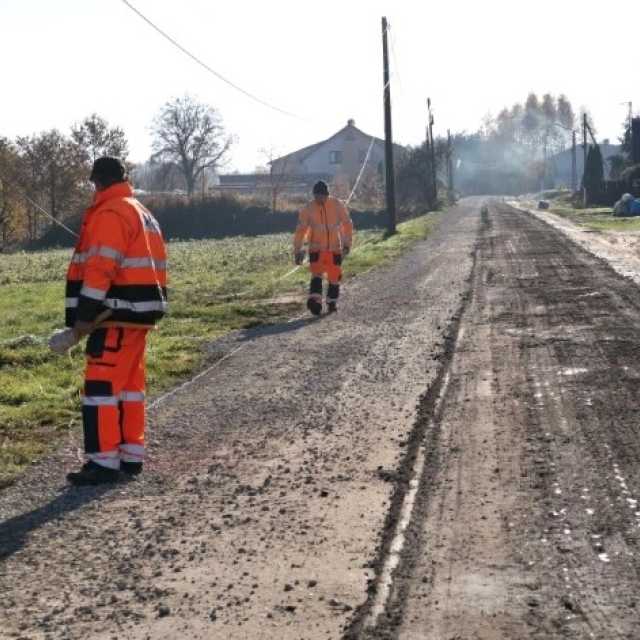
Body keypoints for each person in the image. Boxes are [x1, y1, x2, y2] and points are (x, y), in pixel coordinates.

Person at [49, 157, 168, 486]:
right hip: (138, 317)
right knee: (129, 389)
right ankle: (130, 457)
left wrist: (81, 322)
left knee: (101, 388)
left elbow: (101, 270)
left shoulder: (111, 213)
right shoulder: (141, 211)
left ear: (97, 182)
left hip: (114, 316)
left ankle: (102, 463)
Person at [293, 181, 353, 315]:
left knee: (334, 277)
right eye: (316, 196)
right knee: (317, 276)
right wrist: (297, 250)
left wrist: (347, 244)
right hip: (316, 250)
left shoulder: (337, 205)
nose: (319, 199)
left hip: (335, 249)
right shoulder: (308, 208)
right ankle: (315, 303)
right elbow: (300, 230)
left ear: (327, 195)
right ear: (314, 195)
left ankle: (332, 302)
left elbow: (347, 224)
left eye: (321, 196)